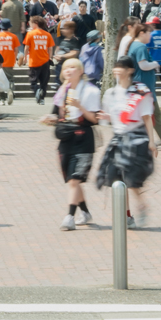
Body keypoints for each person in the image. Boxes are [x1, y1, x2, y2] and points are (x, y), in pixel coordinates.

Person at [97, 56, 159, 228]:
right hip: (118, 141)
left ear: (130, 70)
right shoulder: (111, 93)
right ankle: (127, 215)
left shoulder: (140, 91)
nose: (117, 70)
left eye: (121, 67)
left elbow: (146, 118)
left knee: (131, 180)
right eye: (115, 67)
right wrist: (106, 117)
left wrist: (152, 141)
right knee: (116, 179)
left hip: (137, 140)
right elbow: (114, 117)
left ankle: (141, 205)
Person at [40, 58, 101, 231]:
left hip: (83, 138)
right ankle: (85, 212)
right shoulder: (62, 90)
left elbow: (94, 119)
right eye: (66, 68)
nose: (68, 70)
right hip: (66, 138)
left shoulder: (91, 91)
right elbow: (57, 114)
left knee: (75, 179)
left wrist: (79, 106)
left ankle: (69, 217)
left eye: (73, 67)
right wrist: (50, 119)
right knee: (72, 180)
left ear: (81, 71)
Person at [129, 24, 161, 150]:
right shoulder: (140, 47)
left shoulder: (135, 45)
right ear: (141, 33)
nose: (150, 37)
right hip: (144, 88)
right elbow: (143, 65)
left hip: (142, 86)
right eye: (148, 34)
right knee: (153, 114)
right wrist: (155, 64)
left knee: (152, 115)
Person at [22, 16, 56, 104]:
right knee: (44, 81)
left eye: (31, 23)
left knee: (33, 80)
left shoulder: (30, 34)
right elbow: (50, 48)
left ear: (36, 23)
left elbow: (26, 47)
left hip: (34, 61)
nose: (30, 24)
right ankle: (42, 98)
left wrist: (25, 58)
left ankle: (37, 90)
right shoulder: (47, 34)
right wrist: (50, 57)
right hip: (45, 61)